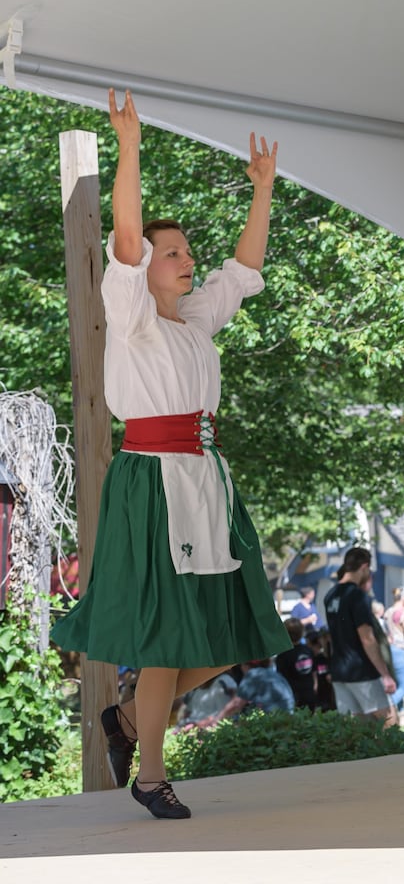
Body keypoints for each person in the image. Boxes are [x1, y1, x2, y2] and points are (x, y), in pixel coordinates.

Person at [49, 90, 289, 820]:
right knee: (163, 638)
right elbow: (126, 236)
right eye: (174, 252)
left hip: (205, 480)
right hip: (153, 480)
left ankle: (125, 720)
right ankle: (150, 773)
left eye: (187, 251)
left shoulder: (194, 320)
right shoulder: (130, 317)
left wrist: (264, 192)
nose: (188, 259)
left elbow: (244, 269)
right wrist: (131, 150)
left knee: (235, 628)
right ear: (146, 266)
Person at [323, 546, 397, 727]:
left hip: (340, 671)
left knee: (357, 732)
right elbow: (367, 639)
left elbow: (330, 638)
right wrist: (385, 675)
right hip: (362, 671)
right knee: (390, 723)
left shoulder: (330, 595)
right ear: (364, 567)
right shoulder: (357, 596)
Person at [276, 618, 319, 709]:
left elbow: (280, 678)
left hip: (292, 695)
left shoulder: (283, 655)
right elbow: (314, 672)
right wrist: (315, 686)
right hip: (309, 693)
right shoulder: (308, 650)